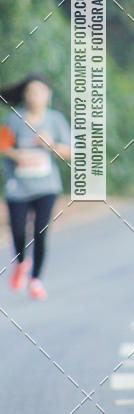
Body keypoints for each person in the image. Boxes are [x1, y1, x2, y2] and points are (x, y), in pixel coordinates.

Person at [0, 75, 71, 300]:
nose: (35, 97)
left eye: (39, 92)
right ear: (25, 95)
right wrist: (16, 154)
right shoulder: (14, 119)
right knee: (19, 231)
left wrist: (51, 145)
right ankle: (21, 262)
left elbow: (69, 152)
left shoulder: (55, 120)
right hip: (18, 187)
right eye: (30, 92)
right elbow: (2, 145)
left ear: (47, 95)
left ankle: (36, 279)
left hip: (46, 186)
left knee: (41, 231)